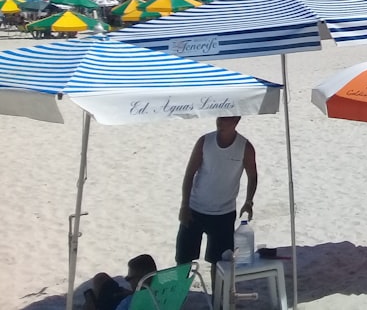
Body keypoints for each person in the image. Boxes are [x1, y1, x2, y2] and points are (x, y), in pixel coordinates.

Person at [176, 116, 257, 273]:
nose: (220, 122)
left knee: (220, 262)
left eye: (225, 119)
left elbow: (252, 176)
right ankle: (182, 296)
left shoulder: (245, 147)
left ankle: (218, 297)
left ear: (236, 121)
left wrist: (249, 201)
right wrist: (184, 204)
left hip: (224, 213)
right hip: (195, 209)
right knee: (183, 259)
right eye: (219, 118)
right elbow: (189, 173)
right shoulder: (205, 142)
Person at [84, 254, 157, 310]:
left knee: (99, 282)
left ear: (140, 279)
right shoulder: (165, 291)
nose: (128, 281)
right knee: (101, 278)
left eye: (129, 278)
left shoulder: (129, 302)